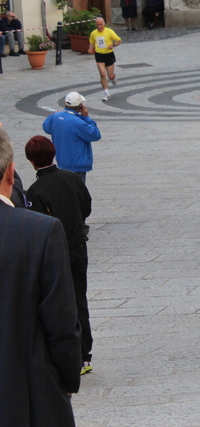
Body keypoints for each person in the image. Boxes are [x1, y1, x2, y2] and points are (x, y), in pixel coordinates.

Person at [0, 129, 82, 427]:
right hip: (25, 395)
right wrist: (68, 378)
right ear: (11, 173)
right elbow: (60, 321)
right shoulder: (38, 232)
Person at [25, 135, 94, 376]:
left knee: (60, 303)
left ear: (31, 162)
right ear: (54, 153)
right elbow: (86, 205)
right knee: (79, 298)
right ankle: (86, 353)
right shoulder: (71, 178)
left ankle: (70, 354)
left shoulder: (35, 191)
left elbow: (36, 225)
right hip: (78, 246)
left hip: (56, 252)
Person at [43, 92, 102, 184]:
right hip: (77, 164)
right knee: (78, 193)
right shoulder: (78, 122)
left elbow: (46, 127)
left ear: (64, 104)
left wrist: (52, 116)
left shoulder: (55, 117)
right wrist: (86, 117)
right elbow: (95, 135)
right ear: (80, 107)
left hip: (62, 162)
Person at [87, 18, 121, 102]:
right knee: (102, 74)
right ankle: (106, 93)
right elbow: (91, 42)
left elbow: (119, 40)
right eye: (97, 25)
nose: (99, 26)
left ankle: (113, 79)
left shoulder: (109, 31)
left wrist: (113, 44)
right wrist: (90, 48)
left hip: (109, 54)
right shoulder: (93, 33)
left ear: (104, 23)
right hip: (99, 55)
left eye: (100, 24)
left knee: (110, 76)